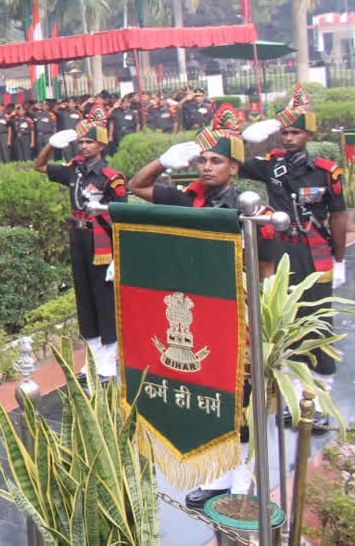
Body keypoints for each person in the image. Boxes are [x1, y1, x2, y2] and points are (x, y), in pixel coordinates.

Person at [128, 104, 280, 509]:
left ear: (235, 167)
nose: (206, 167)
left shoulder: (250, 206)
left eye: (216, 161)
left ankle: (242, 477)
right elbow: (135, 187)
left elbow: (266, 268)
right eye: (201, 160)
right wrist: (163, 161)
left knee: (241, 399)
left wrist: (258, 317)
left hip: (241, 315)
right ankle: (216, 475)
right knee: (208, 390)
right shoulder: (186, 199)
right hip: (199, 314)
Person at [240, 86, 346, 432]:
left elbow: (338, 216)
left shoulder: (326, 170)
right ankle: (296, 399)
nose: (288, 137)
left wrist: (340, 259)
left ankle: (321, 401)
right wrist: (260, 134)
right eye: (283, 131)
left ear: (309, 135)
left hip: (315, 252)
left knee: (319, 324)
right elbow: (237, 160)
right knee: (287, 321)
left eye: (294, 131)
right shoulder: (270, 166)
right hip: (282, 252)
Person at [35, 105, 127, 382]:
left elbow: (122, 216)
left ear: (101, 144)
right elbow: (39, 167)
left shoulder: (111, 177)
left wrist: (116, 256)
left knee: (104, 297)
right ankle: (94, 355)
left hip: (101, 241)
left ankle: (110, 357)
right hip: (78, 236)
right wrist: (50, 145)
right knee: (84, 296)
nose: (84, 146)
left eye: (89, 142)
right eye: (81, 142)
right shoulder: (73, 170)